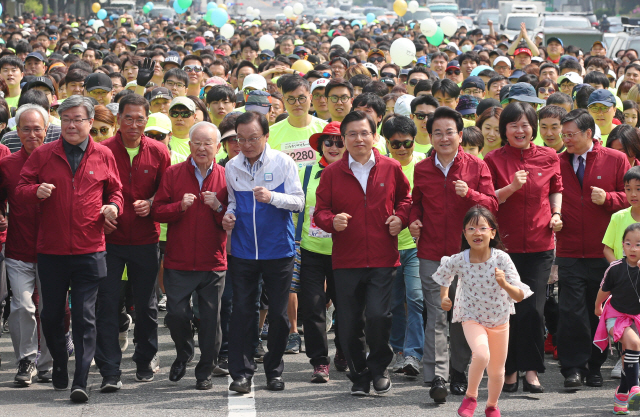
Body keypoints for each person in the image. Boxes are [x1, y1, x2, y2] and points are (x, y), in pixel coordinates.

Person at [15, 96, 123, 403]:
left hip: (91, 249)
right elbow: (20, 189)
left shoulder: (103, 154)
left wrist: (114, 207)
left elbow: (116, 191)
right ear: (59, 122)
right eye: (66, 119)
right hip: (51, 250)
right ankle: (60, 363)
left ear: (90, 123)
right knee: (50, 316)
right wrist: (35, 190)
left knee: (85, 316)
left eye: (78, 119)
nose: (72, 125)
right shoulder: (44, 154)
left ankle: (81, 379)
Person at [313, 110, 411, 396]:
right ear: (344, 139)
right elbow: (319, 212)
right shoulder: (332, 173)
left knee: (380, 317)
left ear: (375, 136)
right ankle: (359, 374)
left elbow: (406, 199)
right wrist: (332, 221)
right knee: (350, 321)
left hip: (383, 257)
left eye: (364, 133)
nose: (359, 138)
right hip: (346, 260)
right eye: (352, 134)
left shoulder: (391, 167)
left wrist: (400, 218)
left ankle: (379, 369)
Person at [409, 106, 498, 403]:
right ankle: (439, 376)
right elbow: (415, 204)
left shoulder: (477, 165)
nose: (444, 138)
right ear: (429, 135)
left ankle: (460, 371)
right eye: (437, 133)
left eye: (450, 132)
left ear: (460, 135)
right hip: (433, 252)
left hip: (469, 254)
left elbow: (492, 205)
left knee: (463, 316)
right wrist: (414, 220)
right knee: (436, 314)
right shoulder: (421, 169)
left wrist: (469, 194)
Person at [484, 102, 563, 393]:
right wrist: (510, 188)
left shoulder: (549, 156)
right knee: (507, 310)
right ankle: (509, 370)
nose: (520, 130)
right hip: (505, 246)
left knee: (533, 311)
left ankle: (531, 370)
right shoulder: (492, 159)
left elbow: (556, 187)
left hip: (541, 245)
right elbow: (488, 200)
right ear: (504, 129)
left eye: (526, 124)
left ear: (534, 128)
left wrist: (556, 213)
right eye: (513, 125)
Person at [224, 111, 304, 394]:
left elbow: (298, 202)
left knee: (279, 316)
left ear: (266, 136)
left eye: (253, 138)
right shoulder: (232, 166)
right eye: (241, 139)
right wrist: (228, 216)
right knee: (243, 312)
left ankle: (274, 369)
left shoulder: (283, 163)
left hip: (278, 251)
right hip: (243, 251)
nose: (246, 144)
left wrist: (272, 198)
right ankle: (242, 373)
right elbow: (232, 202)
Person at [96, 94, 170, 391]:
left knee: (146, 304)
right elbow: (91, 192)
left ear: (147, 120)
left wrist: (151, 203)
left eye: (140, 119)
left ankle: (145, 359)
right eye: (129, 118)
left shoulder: (159, 152)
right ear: (118, 119)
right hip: (109, 240)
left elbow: (166, 191)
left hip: (145, 238)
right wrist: (102, 212)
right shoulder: (101, 150)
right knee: (108, 303)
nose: (134, 124)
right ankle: (109, 368)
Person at [557, 108, 630, 389]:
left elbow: (631, 196)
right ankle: (573, 368)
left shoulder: (616, 159)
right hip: (570, 249)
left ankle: (594, 366)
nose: (566, 139)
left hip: (605, 250)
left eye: (571, 134)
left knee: (597, 311)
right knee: (571, 311)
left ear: (589, 133)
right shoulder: (557, 161)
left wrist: (609, 198)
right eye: (563, 134)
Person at [435, 205, 532, 417]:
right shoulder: (460, 259)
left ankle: (491, 406)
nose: (477, 233)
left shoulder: (502, 259)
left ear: (492, 232)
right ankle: (470, 396)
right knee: (481, 354)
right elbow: (444, 273)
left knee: (497, 372)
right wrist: (444, 297)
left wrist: (504, 284)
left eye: (482, 228)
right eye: (471, 229)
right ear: (464, 234)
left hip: (499, 319)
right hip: (472, 316)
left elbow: (519, 295)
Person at [152, 122, 228, 390]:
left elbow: (234, 218)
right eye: (197, 142)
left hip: (212, 261)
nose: (202, 148)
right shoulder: (173, 174)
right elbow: (157, 211)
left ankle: (205, 369)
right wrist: (178, 207)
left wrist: (218, 207)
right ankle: (184, 352)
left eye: (208, 143)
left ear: (218, 147)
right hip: (179, 261)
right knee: (175, 315)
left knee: (210, 320)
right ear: (189, 145)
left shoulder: (228, 176)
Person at [0, 104, 52, 387]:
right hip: (18, 249)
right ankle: (26, 359)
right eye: (26, 129)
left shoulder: (58, 160)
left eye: (37, 129)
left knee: (49, 309)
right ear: (16, 131)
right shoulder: (7, 164)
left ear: (46, 130)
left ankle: (46, 363)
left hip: (53, 249)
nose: (32, 134)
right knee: (21, 307)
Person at [297, 121, 347, 383]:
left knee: (346, 307)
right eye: (329, 141)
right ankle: (319, 362)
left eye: (340, 141)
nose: (334, 146)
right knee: (313, 307)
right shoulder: (304, 172)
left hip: (345, 251)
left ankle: (343, 350)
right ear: (320, 146)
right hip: (311, 250)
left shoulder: (352, 172)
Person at [382, 115, 425, 378]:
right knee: (395, 303)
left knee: (416, 299)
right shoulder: (380, 165)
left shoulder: (424, 163)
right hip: (387, 247)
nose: (401, 149)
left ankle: (413, 354)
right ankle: (398, 351)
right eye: (395, 144)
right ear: (387, 143)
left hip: (418, 246)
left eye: (406, 143)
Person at [595, 223, 640, 415]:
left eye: (638, 244)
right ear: (622, 245)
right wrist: (597, 306)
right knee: (634, 343)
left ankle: (622, 394)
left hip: (636, 317)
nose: (632, 248)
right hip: (615, 315)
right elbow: (604, 290)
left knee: (627, 358)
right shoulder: (615, 268)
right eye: (628, 243)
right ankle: (635, 389)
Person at [269, 75, 327, 172]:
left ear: (310, 98)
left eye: (301, 98)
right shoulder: (271, 133)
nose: (297, 103)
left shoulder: (325, 129)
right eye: (291, 99)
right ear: (283, 100)